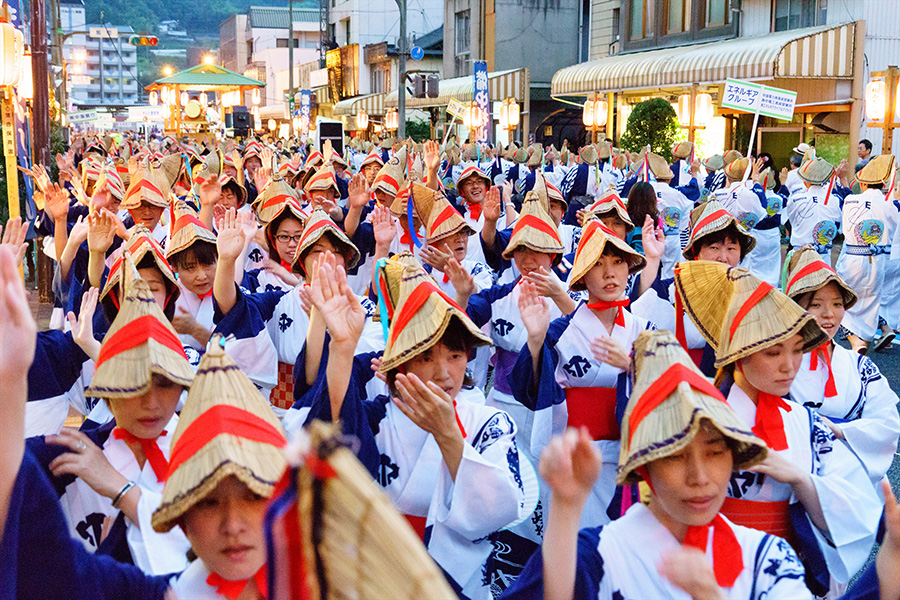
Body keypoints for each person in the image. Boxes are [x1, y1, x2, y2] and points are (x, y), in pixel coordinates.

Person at [291, 255, 537, 599]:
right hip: (377, 578)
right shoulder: (376, 418)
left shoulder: (489, 423)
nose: (442, 372)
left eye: (454, 355)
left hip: (456, 586)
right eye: (425, 357)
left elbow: (500, 510)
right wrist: (343, 350)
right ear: (399, 364)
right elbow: (330, 447)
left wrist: (449, 436)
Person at [502, 329, 812, 600]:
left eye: (715, 453)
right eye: (674, 456)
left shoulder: (767, 557)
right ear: (645, 466)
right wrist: (566, 506)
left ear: (733, 456)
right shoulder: (597, 554)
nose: (700, 477)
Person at [675, 261, 882, 596]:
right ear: (739, 355)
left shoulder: (807, 423)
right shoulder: (696, 421)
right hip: (707, 567)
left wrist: (800, 480)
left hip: (787, 574)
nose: (789, 366)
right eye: (773, 352)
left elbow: (854, 505)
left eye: (798, 350)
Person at [27, 254, 195, 575]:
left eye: (165, 384)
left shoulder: (205, 449)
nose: (152, 403)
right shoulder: (69, 455)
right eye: (132, 385)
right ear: (107, 389)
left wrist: (123, 494)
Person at [512, 217, 654, 527]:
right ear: (582, 276)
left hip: (627, 457)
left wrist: (632, 368)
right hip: (573, 456)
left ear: (629, 268)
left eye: (618, 262)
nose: (609, 272)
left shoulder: (644, 331)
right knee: (574, 546)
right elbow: (527, 390)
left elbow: (671, 391)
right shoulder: (560, 332)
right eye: (597, 264)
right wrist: (536, 340)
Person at [151, 338, 288, 600]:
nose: (233, 525)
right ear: (182, 516)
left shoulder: (336, 585)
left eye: (255, 495)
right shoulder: (180, 594)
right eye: (208, 503)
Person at [785, 246, 900, 489]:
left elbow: (887, 424)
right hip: (794, 482)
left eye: (837, 304)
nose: (829, 315)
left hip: (853, 485)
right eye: (816, 305)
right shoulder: (778, 362)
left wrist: (835, 429)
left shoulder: (860, 366)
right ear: (795, 307)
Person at [631, 200, 755, 377]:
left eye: (731, 248)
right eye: (714, 247)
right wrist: (652, 259)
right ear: (696, 252)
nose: (723, 257)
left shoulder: (746, 296)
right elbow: (643, 308)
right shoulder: (673, 290)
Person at [836, 155, 897, 354]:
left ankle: (855, 341)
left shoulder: (850, 200)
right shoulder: (890, 205)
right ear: (883, 183)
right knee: (871, 303)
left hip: (853, 258)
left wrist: (843, 180)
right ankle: (870, 340)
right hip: (879, 261)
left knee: (842, 300)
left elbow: (844, 202)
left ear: (861, 183)